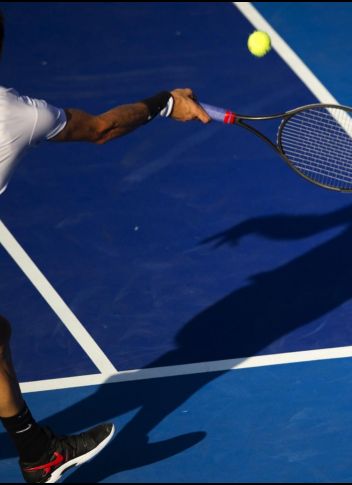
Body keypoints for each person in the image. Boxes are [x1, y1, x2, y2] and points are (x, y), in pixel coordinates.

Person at [0, 10, 211, 483]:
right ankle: (38, 453)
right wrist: (164, 103)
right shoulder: (17, 115)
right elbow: (101, 128)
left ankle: (37, 452)